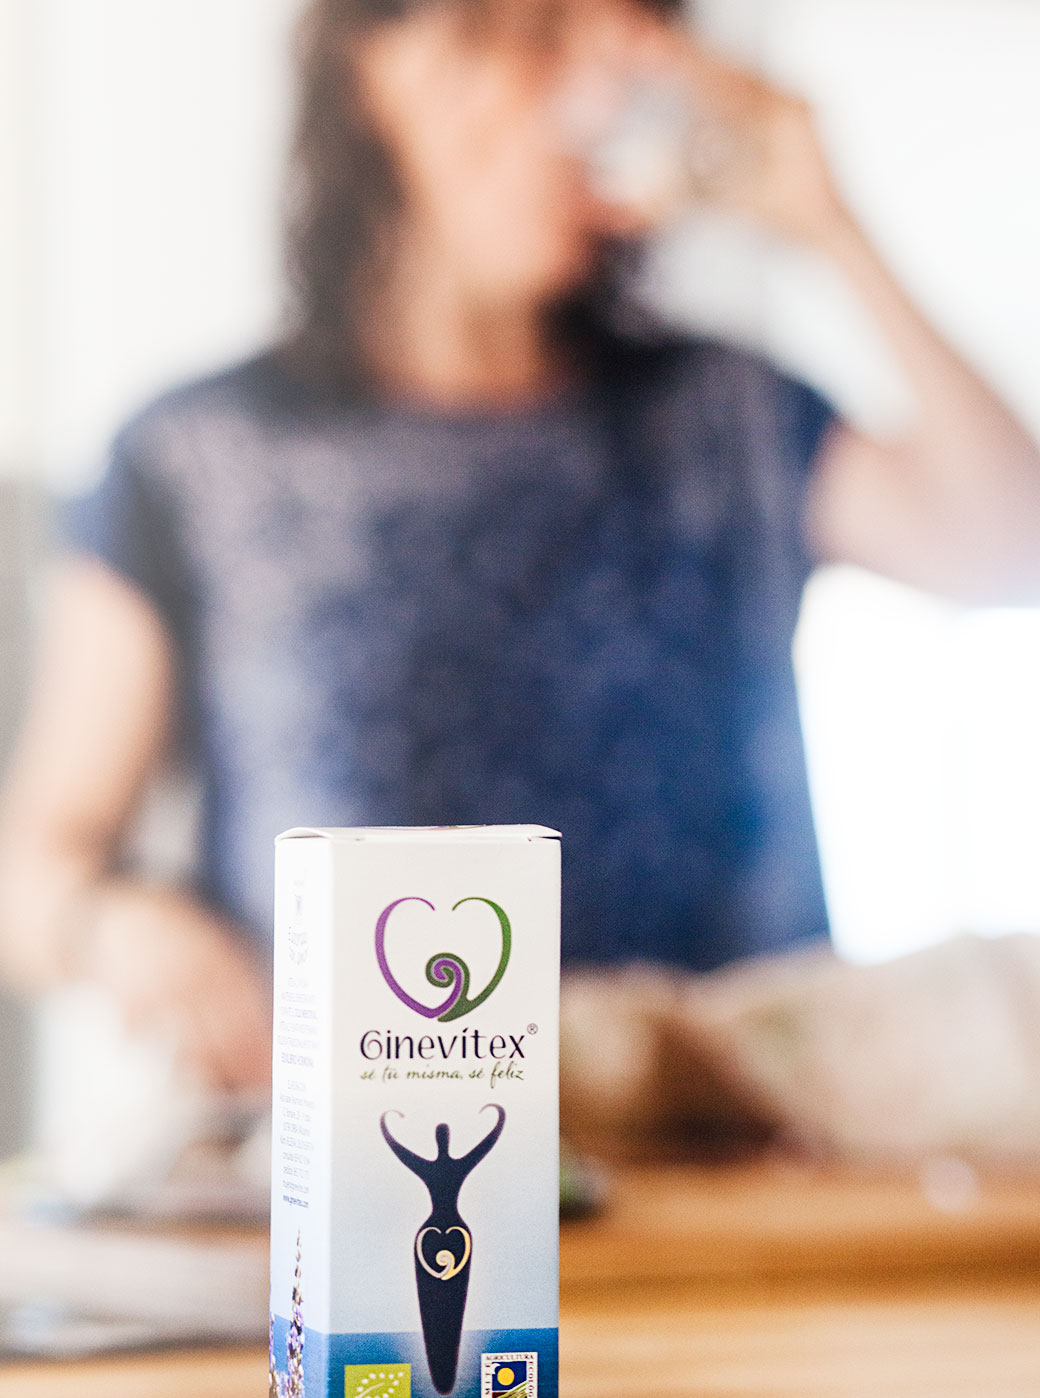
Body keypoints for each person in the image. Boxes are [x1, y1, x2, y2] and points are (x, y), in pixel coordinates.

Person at [1, 0, 1039, 1106]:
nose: (585, 101)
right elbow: (31, 873)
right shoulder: (192, 455)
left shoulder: (726, 411)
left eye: (617, 56)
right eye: (535, 37)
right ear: (385, 65)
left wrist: (829, 223)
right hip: (362, 1163)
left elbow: (1011, 551)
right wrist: (112, 927)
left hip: (723, 1167)